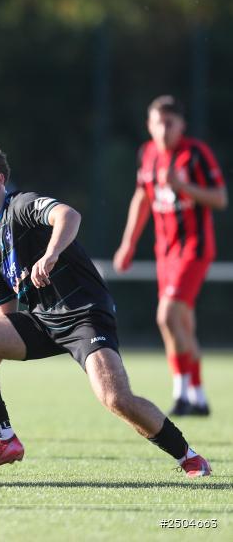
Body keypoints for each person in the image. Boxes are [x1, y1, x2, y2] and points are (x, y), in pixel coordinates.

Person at [0, 143, 210, 477]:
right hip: (43, 321)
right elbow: (5, 317)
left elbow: (68, 215)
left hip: (84, 314)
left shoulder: (22, 205)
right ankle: (3, 440)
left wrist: (51, 253)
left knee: (116, 399)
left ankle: (188, 457)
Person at [113, 96, 227, 416]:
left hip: (194, 248)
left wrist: (184, 186)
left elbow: (220, 199)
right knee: (181, 324)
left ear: (181, 125)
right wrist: (128, 244)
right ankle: (198, 396)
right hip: (165, 253)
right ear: (149, 125)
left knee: (166, 316)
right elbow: (142, 198)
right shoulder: (147, 154)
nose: (163, 130)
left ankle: (182, 392)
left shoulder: (195, 154)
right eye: (157, 123)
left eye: (169, 123)